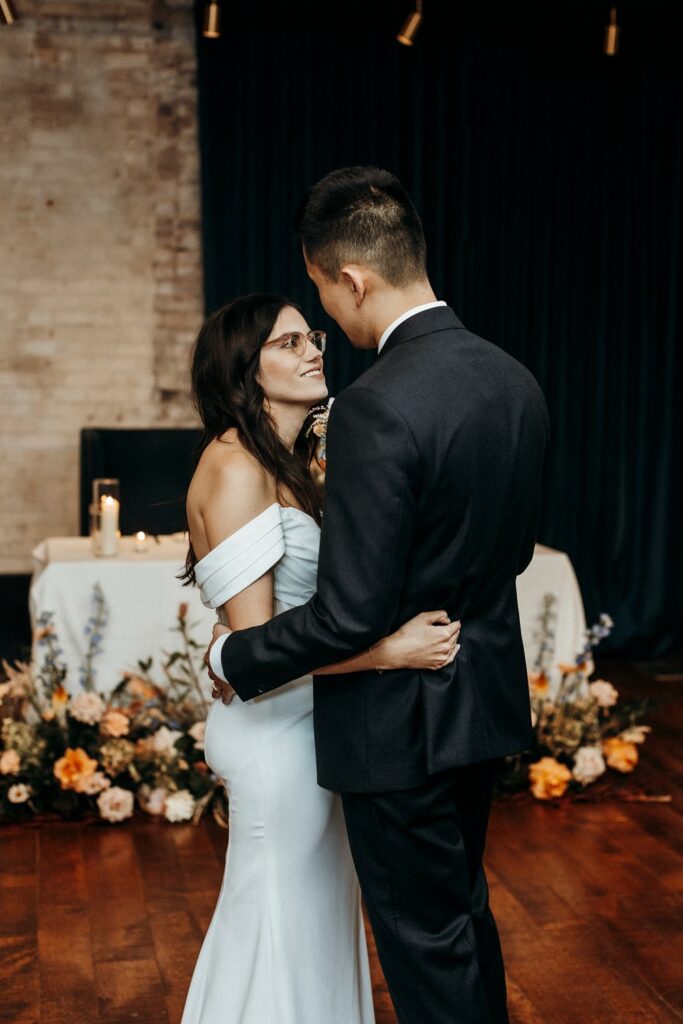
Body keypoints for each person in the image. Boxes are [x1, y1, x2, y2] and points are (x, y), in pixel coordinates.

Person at [206, 166, 550, 1024]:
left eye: (324, 292)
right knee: (461, 918)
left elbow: (350, 614)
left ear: (352, 278)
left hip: (398, 724)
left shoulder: (376, 405)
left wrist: (236, 656)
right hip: (478, 702)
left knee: (425, 946)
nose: (327, 320)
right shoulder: (514, 381)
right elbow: (507, 554)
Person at [180, 292, 462, 1024]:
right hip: (274, 733)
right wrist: (386, 652)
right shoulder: (236, 465)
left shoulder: (288, 459)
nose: (314, 349)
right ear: (244, 371)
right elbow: (254, 653)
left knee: (315, 923)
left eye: (312, 335)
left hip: (314, 721)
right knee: (275, 924)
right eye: (287, 343)